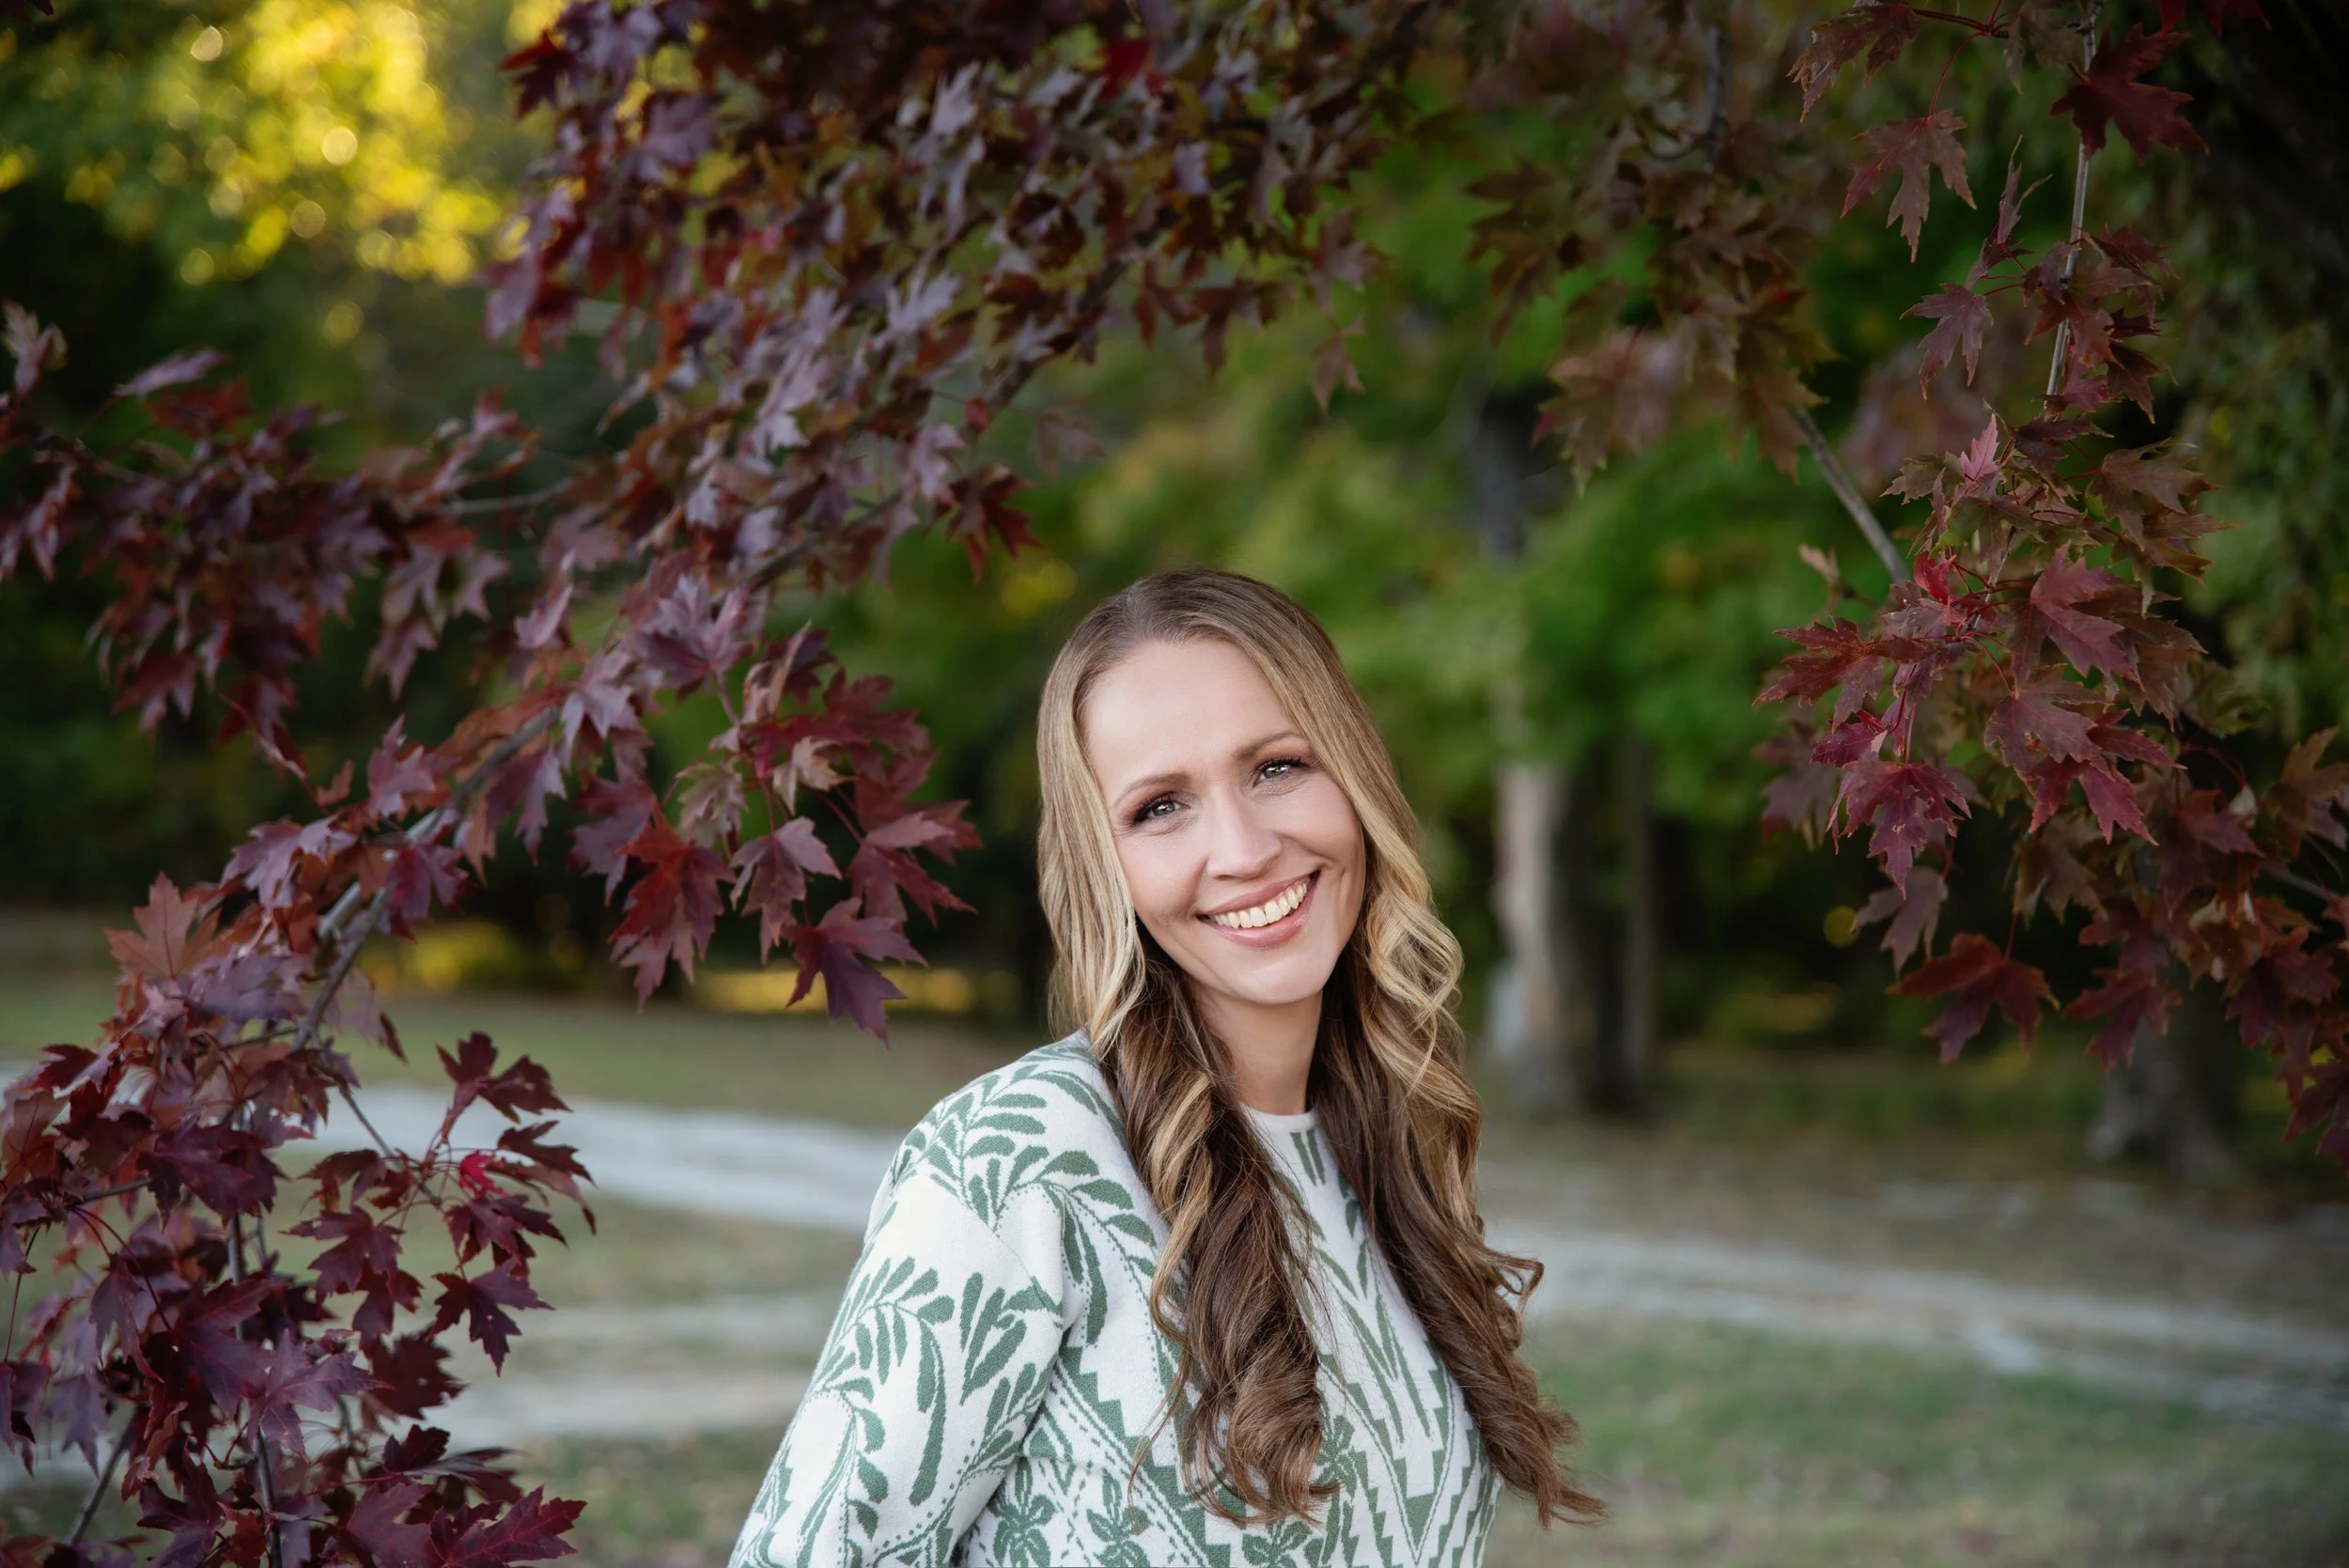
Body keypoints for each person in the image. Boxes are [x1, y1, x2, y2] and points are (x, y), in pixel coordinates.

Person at [728, 568, 1600, 1567]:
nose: (1242, 849)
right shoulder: (1019, 1157)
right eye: (1159, 808)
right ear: (1105, 864)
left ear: (1353, 774)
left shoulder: (1385, 1139)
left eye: (1277, 767)